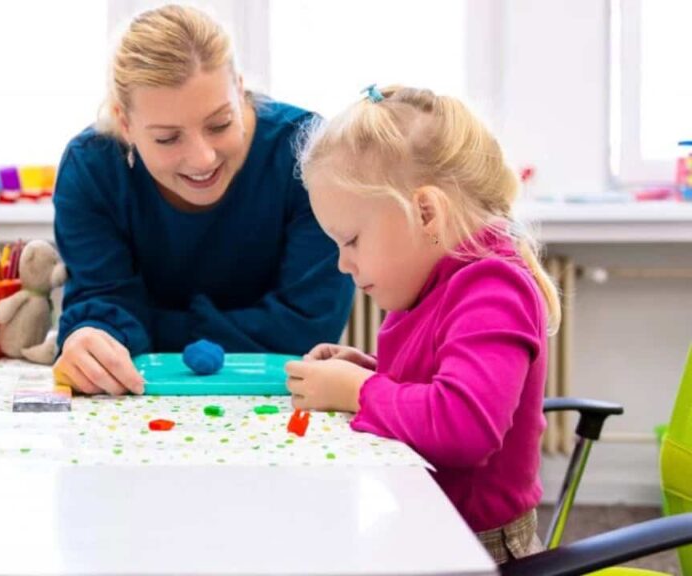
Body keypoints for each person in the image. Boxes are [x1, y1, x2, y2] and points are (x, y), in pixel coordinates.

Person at [287, 84, 560, 564]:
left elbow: (463, 424)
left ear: (426, 213)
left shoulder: (493, 289)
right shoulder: (435, 281)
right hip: (425, 526)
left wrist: (359, 391)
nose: (341, 265)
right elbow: (439, 377)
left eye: (350, 240)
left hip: (479, 550)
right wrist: (371, 370)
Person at [52, 5, 353, 396]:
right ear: (124, 124)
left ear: (240, 89)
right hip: (141, 403)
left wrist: (147, 327)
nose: (203, 158)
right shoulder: (91, 169)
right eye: (167, 138)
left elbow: (308, 327)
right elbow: (102, 306)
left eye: (220, 123)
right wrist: (91, 340)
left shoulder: (309, 154)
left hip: (284, 399)